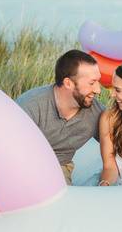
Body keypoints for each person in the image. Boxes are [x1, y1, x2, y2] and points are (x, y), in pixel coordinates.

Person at [17, 50, 104, 185]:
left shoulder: (96, 112)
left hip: (60, 168)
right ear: (68, 83)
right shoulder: (30, 106)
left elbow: (120, 142)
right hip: (23, 166)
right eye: (92, 83)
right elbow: (8, 150)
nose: (98, 90)